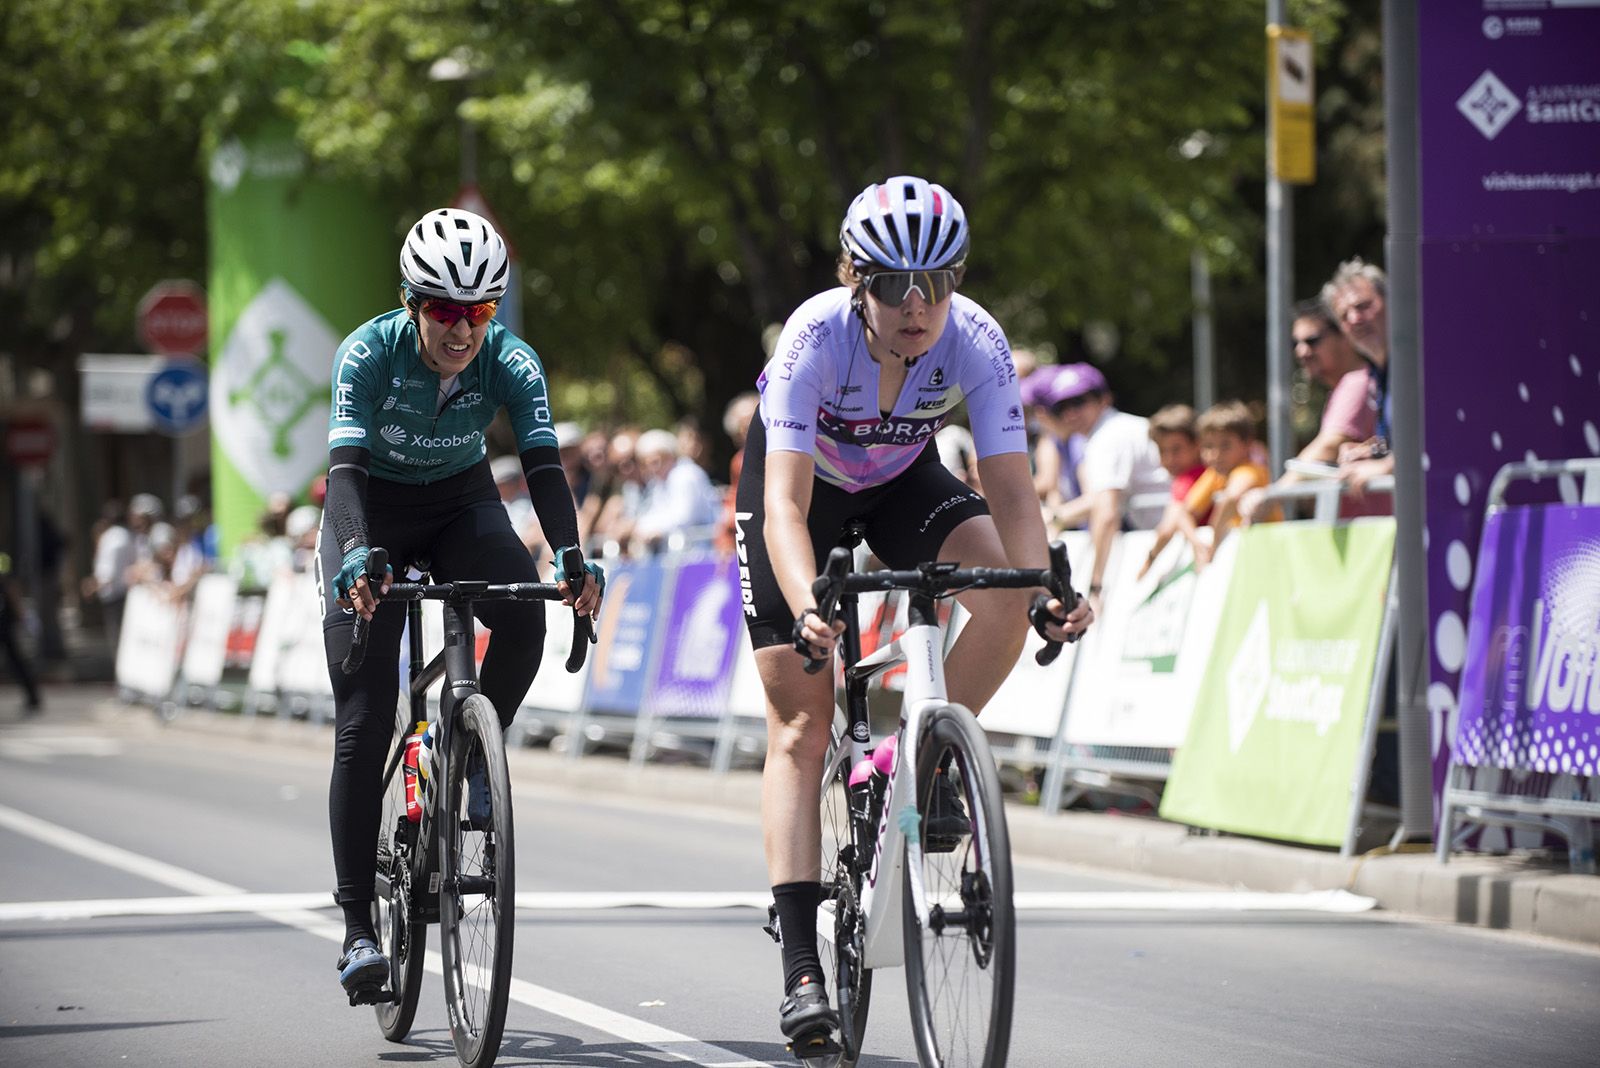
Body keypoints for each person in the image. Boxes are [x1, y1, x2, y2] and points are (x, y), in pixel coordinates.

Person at [734, 176, 1092, 1055]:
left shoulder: (976, 337)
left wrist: (1043, 583)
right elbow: (782, 503)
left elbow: (1009, 482)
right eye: (895, 284)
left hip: (902, 483)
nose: (918, 305)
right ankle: (801, 971)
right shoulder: (813, 334)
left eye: (940, 281)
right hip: (804, 494)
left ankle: (920, 762)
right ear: (856, 276)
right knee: (799, 728)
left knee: (1005, 591)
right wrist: (808, 595)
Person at [318, 207, 604, 1002]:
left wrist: (572, 555)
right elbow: (343, 476)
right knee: (365, 719)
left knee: (521, 610)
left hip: (459, 504)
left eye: (478, 310)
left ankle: (471, 749)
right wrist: (351, 560)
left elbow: (544, 467)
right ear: (413, 303)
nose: (460, 329)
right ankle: (356, 930)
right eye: (444, 310)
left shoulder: (512, 360)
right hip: (371, 507)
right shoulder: (367, 353)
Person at [1038, 364, 1170, 610]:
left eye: (1078, 402)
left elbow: (1106, 513)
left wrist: (1096, 587)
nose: (1070, 414)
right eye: (1062, 407)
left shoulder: (1108, 437)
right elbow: (1100, 501)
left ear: (1104, 399)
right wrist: (1057, 518)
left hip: (1169, 537)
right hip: (1164, 534)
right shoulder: (1114, 429)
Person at [1241, 299, 1381, 522]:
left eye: (1312, 341)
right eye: (1295, 343)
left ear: (1344, 336)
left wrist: (1272, 496)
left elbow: (1329, 446)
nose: (1301, 351)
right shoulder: (1350, 386)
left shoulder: (1356, 383)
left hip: (1371, 537)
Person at [1139, 400, 1272, 576]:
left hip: (1265, 557)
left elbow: (1229, 499)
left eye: (1225, 445)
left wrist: (1213, 546)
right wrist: (1197, 542)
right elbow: (1182, 510)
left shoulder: (1250, 470)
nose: (1215, 454)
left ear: (1247, 443)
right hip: (1243, 560)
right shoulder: (1214, 475)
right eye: (1209, 446)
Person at [1322, 258, 1395, 498]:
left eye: (1363, 306)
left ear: (1392, 302)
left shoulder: (1421, 361)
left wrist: (1387, 466)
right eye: (1344, 316)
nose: (1354, 319)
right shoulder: (1380, 373)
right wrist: (1373, 451)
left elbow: (1442, 434)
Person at [0, 551, 43, 714]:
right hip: (5, 618)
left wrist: (22, 615)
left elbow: (11, 586)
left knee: (15, 660)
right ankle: (32, 696)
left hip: (3, 620)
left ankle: (33, 697)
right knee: (15, 659)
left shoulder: (3, 558)